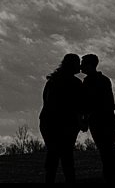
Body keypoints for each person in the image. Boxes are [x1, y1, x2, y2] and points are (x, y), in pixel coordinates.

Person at [39, 53, 83, 184]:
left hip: (49, 123)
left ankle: (50, 180)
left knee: (53, 153)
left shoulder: (52, 82)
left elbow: (47, 103)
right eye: (77, 63)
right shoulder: (75, 83)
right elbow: (79, 105)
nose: (80, 66)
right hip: (65, 125)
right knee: (66, 156)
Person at [81, 54, 115, 183]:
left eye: (83, 63)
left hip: (100, 119)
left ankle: (110, 176)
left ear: (89, 65)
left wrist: (84, 118)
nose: (81, 66)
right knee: (108, 149)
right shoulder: (104, 79)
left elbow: (87, 103)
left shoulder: (89, 81)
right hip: (107, 117)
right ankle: (114, 176)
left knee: (105, 150)